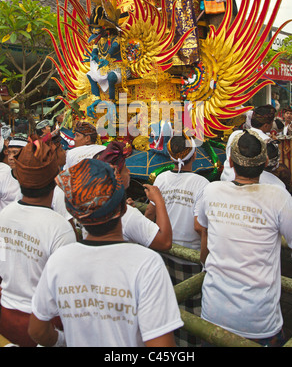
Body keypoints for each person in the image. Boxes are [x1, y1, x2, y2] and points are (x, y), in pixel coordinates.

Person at [28, 159, 183, 347]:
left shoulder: (59, 260)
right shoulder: (147, 264)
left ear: (75, 213)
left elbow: (37, 330)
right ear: (124, 207)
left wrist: (63, 342)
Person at [197, 130, 292, 346]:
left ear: (231, 163)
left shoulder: (211, 190)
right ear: (264, 163)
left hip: (213, 311)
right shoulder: (278, 196)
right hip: (258, 319)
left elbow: (201, 229)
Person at [0, 140, 77, 347]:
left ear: (19, 176)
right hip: (44, 325)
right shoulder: (60, 228)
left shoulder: (4, 215)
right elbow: (68, 290)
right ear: (55, 179)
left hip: (5, 317)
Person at [145, 132, 209, 346]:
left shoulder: (161, 179)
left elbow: (149, 215)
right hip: (190, 259)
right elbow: (200, 228)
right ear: (194, 156)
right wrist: (204, 260)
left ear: (170, 156)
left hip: (165, 254)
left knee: (167, 304)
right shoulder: (202, 183)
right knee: (192, 309)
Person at [94, 141, 172, 251]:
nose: (129, 171)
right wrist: (159, 201)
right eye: (125, 168)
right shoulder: (125, 214)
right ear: (117, 176)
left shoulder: (94, 205)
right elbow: (165, 243)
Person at [221, 104, 276, 182]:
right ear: (266, 125)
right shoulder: (268, 141)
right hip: (253, 181)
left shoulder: (235, 134)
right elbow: (273, 167)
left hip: (226, 179)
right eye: (272, 122)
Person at [0, 135, 22, 211]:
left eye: (15, 153)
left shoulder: (35, 180)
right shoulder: (2, 177)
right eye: (9, 153)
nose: (10, 157)